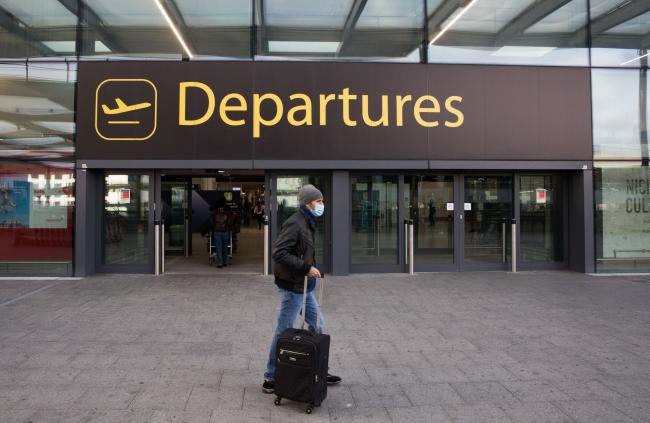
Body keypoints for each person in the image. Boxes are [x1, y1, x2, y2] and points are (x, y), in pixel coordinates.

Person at [262, 184, 341, 394]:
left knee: (317, 324)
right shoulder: (295, 223)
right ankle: (270, 377)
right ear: (308, 203)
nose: (322, 205)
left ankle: (318, 369)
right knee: (284, 329)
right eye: (319, 201)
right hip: (292, 286)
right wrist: (306, 268)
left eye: (322, 201)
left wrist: (308, 269)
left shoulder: (307, 221)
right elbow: (279, 253)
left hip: (304, 286)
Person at [209, 197, 232, 268]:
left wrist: (213, 225)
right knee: (225, 247)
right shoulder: (227, 211)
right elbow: (231, 219)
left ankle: (220, 263)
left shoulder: (215, 211)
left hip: (217, 231)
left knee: (218, 247)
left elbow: (211, 220)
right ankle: (225, 262)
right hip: (225, 231)